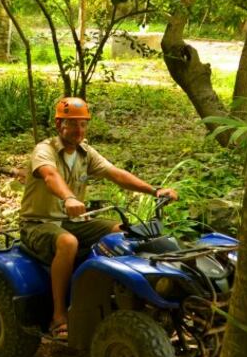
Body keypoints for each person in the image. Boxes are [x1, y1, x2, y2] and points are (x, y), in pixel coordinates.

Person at [20, 97, 178, 338]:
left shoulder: (85, 152)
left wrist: (154, 190)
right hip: (39, 223)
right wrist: (69, 198)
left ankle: (123, 297)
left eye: (83, 124)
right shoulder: (44, 150)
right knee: (68, 242)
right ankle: (59, 316)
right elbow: (50, 175)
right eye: (73, 124)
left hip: (72, 222)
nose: (79, 130)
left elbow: (115, 173)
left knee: (123, 232)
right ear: (59, 124)